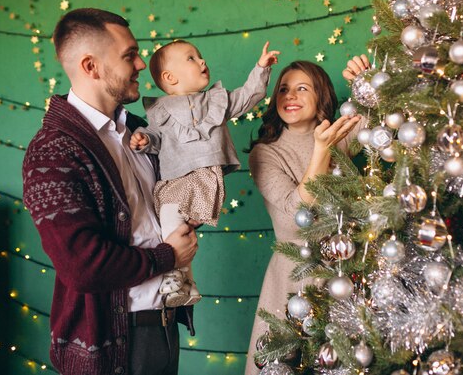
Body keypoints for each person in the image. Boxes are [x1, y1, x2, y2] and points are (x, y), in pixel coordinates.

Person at [22, 8, 199, 375]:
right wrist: (166, 257)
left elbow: (159, 215)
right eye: (129, 55)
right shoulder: (53, 150)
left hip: (164, 327)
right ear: (91, 66)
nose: (141, 63)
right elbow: (81, 266)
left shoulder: (141, 130)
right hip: (111, 345)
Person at [129, 39, 279, 307]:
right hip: (176, 179)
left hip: (205, 177)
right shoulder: (161, 110)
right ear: (169, 77)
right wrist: (143, 139)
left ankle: (177, 277)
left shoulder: (215, 101)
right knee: (174, 228)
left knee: (177, 227)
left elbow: (248, 96)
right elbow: (156, 137)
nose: (202, 61)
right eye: (191, 58)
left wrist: (261, 68)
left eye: (200, 56)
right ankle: (185, 281)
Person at [244, 57, 370, 374]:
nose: (290, 96)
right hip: (293, 277)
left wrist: (366, 81)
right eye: (284, 89)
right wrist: (320, 150)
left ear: (321, 96)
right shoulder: (266, 152)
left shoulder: (338, 134)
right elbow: (298, 216)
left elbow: (375, 120)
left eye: (302, 88)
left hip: (345, 271)